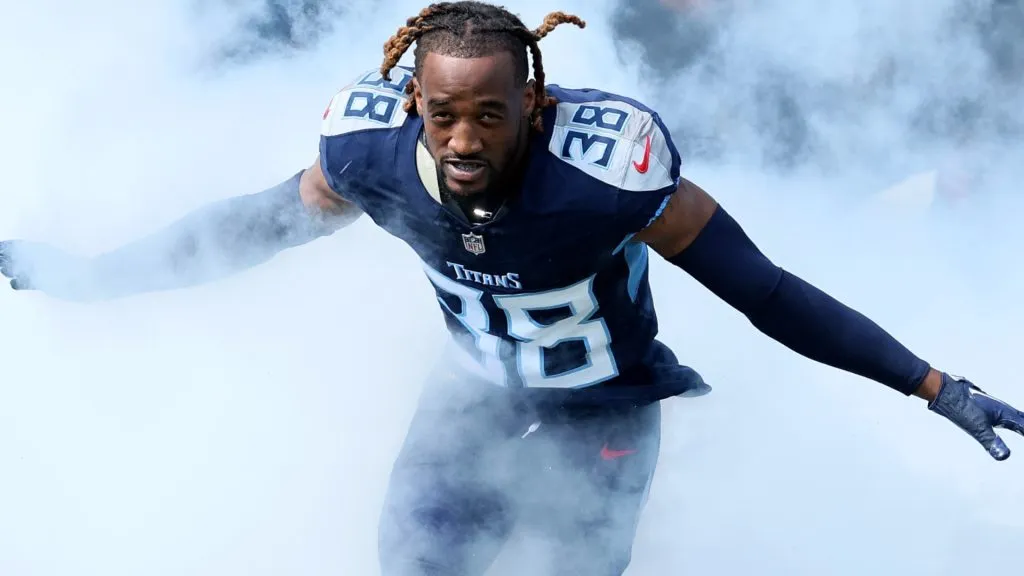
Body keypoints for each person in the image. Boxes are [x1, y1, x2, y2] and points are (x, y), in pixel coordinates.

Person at [1, 2, 1022, 574]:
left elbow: (764, 290)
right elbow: (248, 229)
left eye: (489, 116)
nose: (462, 142)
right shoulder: (367, 155)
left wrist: (930, 384)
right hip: (474, 391)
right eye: (443, 116)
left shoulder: (606, 172)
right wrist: (91, 277)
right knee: (410, 564)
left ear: (534, 104)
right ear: (412, 100)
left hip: (604, 410)